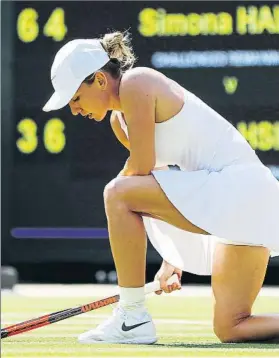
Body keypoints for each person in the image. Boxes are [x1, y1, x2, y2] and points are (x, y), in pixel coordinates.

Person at [43, 31, 279, 345]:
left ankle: (131, 317)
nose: (74, 110)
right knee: (231, 327)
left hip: (242, 190)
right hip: (243, 203)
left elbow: (140, 170)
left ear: (99, 80)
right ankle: (132, 317)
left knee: (117, 193)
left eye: (75, 98)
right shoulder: (119, 121)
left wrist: (124, 189)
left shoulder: (137, 83)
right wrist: (173, 259)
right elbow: (159, 185)